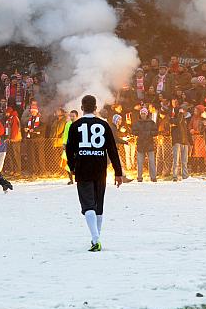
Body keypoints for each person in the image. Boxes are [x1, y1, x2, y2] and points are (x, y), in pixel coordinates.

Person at [65, 95, 124, 252]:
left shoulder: (75, 125)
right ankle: (95, 238)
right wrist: (118, 172)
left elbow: (69, 150)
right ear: (96, 108)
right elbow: (112, 150)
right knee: (98, 205)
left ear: (82, 108)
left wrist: (72, 167)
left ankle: (96, 239)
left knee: (88, 205)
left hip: (83, 168)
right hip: (100, 168)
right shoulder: (104, 125)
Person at [132, 107, 159, 182]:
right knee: (140, 162)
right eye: (142, 114)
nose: (143, 115)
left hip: (149, 144)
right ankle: (139, 177)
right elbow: (133, 131)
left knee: (151, 162)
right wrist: (139, 133)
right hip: (140, 144)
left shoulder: (151, 122)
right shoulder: (137, 123)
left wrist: (149, 133)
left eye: (144, 114)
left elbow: (156, 132)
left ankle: (153, 177)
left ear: (147, 114)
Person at [61, 110, 78, 185]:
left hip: (77, 147)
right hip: (69, 146)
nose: (72, 117)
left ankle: (78, 178)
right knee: (68, 162)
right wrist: (64, 144)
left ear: (77, 116)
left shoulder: (80, 124)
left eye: (73, 116)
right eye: (70, 116)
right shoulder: (68, 124)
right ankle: (71, 179)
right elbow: (65, 134)